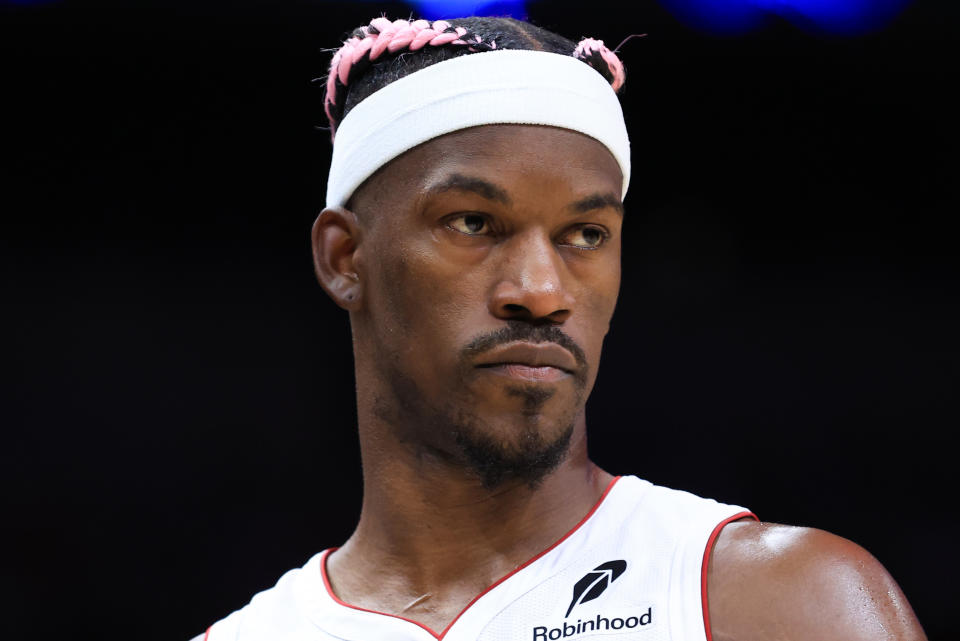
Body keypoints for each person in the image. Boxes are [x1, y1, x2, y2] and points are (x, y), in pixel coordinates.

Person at [197, 15, 926, 641]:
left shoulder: (786, 604)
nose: (541, 292)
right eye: (474, 223)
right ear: (345, 257)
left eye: (583, 233)